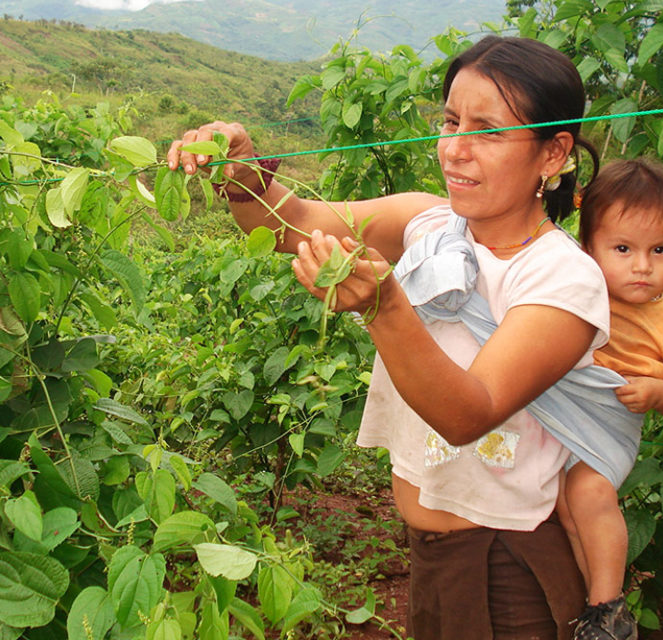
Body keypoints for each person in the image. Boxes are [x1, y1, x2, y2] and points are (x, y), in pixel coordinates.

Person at [168, 35, 618, 640]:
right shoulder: (427, 222)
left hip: (508, 568)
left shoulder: (562, 277)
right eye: (451, 121)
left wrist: (383, 306)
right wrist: (241, 176)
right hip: (432, 556)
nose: (455, 149)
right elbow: (292, 225)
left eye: (487, 132)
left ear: (553, 153)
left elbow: (469, 413)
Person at [565, 159, 663, 630]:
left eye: (661, 250)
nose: (642, 267)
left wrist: (656, 392)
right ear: (588, 248)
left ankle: (608, 605)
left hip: (611, 417)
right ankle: (594, 599)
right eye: (623, 248)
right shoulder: (575, 283)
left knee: (589, 493)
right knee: (564, 509)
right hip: (562, 409)